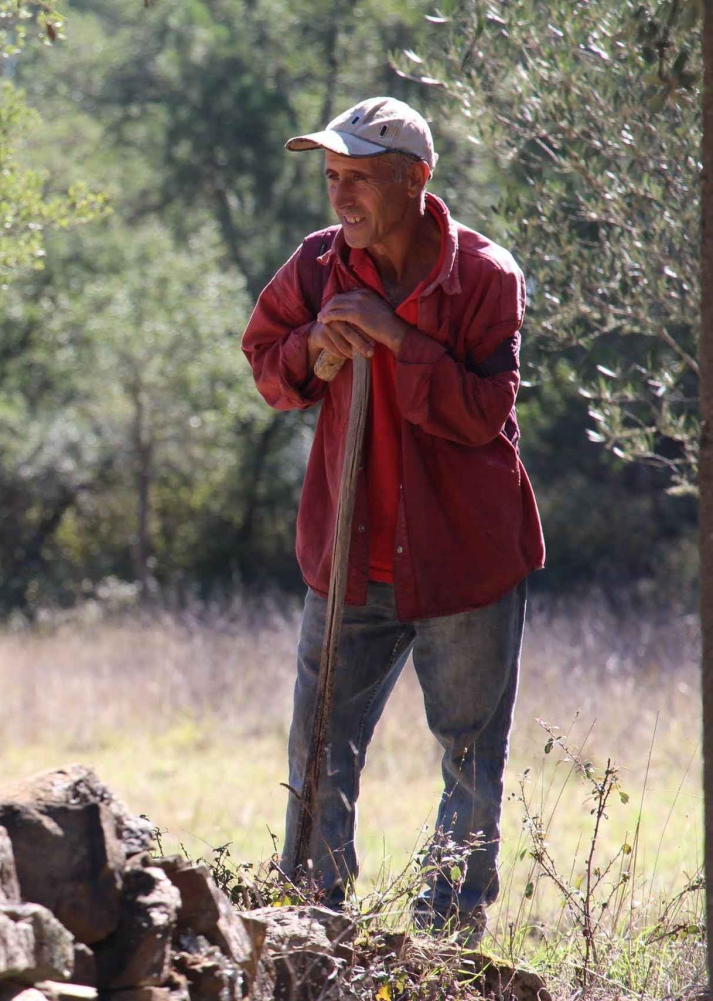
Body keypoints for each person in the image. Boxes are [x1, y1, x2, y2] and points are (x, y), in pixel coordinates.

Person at [240, 96, 545, 942]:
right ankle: (312, 929)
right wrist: (315, 349)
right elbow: (265, 362)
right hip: (348, 559)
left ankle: (445, 941)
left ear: (417, 179)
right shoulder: (317, 266)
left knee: (470, 759)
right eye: (332, 177)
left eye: (361, 178)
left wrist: (396, 338)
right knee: (318, 753)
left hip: (465, 564)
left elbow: (482, 412)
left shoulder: (485, 275)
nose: (341, 196)